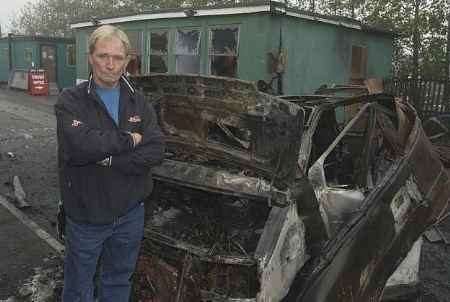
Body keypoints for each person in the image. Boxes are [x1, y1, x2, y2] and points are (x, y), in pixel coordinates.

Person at [55, 25, 165, 302]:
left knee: (117, 281)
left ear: (127, 60)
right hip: (86, 217)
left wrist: (107, 159)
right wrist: (129, 141)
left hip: (130, 214)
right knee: (79, 288)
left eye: (118, 57)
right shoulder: (70, 100)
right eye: (103, 55)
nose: (110, 64)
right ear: (90, 57)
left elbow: (156, 150)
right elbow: (79, 147)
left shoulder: (138, 101)